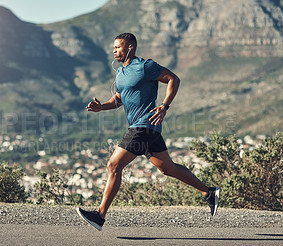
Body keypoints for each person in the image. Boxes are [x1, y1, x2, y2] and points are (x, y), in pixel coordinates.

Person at [77, 33, 220, 231]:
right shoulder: (120, 72)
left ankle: (100, 215)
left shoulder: (145, 66)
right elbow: (118, 99)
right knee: (167, 168)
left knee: (113, 165)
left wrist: (164, 106)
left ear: (130, 48)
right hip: (146, 128)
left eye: (118, 47)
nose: (114, 50)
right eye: (113, 47)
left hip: (143, 126)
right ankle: (208, 192)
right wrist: (101, 107)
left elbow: (173, 79)